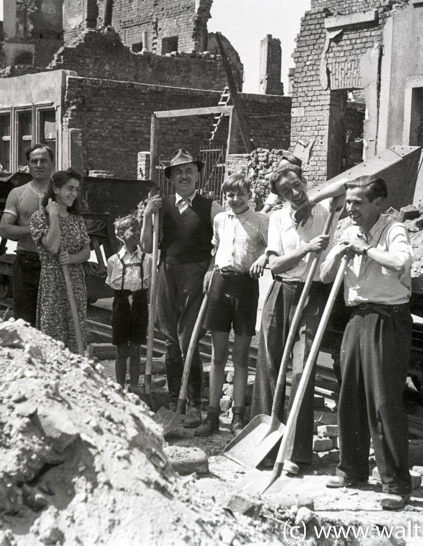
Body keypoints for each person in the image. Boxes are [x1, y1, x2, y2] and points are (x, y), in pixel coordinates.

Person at [319, 176, 414, 511]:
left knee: (384, 401)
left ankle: (396, 483)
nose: (351, 208)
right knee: (350, 396)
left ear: (378, 203)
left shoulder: (393, 229)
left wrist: (368, 250)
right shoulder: (346, 229)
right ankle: (352, 470)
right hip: (357, 318)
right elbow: (325, 275)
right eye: (349, 202)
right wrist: (340, 252)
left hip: (388, 319)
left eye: (358, 202)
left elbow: (401, 263)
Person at [251, 162, 341, 475]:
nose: (295, 191)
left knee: (304, 371)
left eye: (296, 184)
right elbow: (275, 265)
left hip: (312, 293)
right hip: (282, 291)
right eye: (287, 190)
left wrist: (313, 200)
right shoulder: (276, 218)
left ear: (303, 181)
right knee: (269, 364)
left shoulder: (325, 209)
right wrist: (306, 248)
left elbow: (349, 186)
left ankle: (297, 453)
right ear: (280, 196)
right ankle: (265, 446)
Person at [142, 149, 223, 427]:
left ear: (198, 174)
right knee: (170, 340)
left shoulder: (211, 207)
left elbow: (223, 243)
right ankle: (175, 401)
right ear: (171, 178)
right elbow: (145, 246)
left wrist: (212, 269)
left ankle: (194, 406)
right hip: (167, 272)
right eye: (178, 172)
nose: (184, 176)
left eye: (189, 171)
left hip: (197, 274)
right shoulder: (161, 205)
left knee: (189, 341)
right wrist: (146, 217)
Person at [195, 172, 269, 436]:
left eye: (240, 194)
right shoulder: (220, 219)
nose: (235, 199)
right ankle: (213, 416)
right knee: (217, 355)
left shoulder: (262, 221)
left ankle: (237, 418)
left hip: (246, 286)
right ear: (224, 196)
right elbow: (217, 249)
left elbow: (274, 249)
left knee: (240, 357)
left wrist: (266, 258)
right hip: (220, 284)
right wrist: (209, 271)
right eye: (230, 195)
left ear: (250, 195)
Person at [29, 168, 92, 354]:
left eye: (76, 189)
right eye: (69, 188)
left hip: (75, 282)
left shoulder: (76, 219)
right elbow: (53, 246)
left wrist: (72, 258)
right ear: (55, 189)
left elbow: (86, 251)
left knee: (75, 332)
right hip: (52, 283)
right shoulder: (40, 218)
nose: (73, 193)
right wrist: (54, 216)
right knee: (53, 335)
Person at [0, 144, 55, 326]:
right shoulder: (17, 194)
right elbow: (5, 229)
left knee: (52, 324)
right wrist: (33, 230)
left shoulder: (63, 193)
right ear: (28, 165)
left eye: (44, 160)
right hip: (26, 263)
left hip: (55, 264)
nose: (39, 165)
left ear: (52, 164)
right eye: (34, 161)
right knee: (25, 323)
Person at [106, 215, 152, 391]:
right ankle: (119, 385)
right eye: (133, 230)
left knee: (136, 347)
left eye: (138, 230)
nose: (137, 233)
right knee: (121, 348)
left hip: (140, 302)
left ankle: (134, 385)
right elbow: (111, 283)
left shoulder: (146, 259)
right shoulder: (114, 261)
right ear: (120, 234)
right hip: (121, 303)